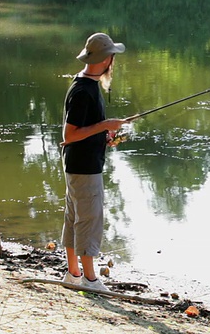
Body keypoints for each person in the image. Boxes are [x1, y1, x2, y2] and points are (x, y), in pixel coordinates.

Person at [60, 32, 127, 291]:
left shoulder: (86, 83)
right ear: (106, 59)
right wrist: (104, 125)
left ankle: (73, 273)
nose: (114, 61)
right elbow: (70, 134)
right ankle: (89, 279)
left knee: (75, 217)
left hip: (79, 164)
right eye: (112, 56)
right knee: (89, 219)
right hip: (84, 167)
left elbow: (83, 128)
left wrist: (104, 133)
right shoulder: (83, 91)